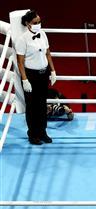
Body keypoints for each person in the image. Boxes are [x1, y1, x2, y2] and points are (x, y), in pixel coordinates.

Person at [15, 10, 57, 145]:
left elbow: (48, 53)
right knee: (32, 106)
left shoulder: (43, 34)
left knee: (41, 105)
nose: (38, 24)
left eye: (39, 22)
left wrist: (53, 70)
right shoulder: (22, 40)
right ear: (27, 24)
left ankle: (43, 132)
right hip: (31, 76)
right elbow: (20, 62)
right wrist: (24, 79)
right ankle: (33, 134)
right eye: (35, 23)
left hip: (43, 74)